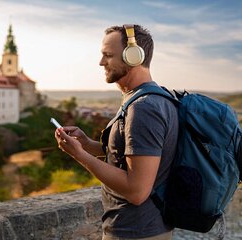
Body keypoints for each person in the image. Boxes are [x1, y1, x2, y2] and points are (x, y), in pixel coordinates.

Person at [54, 24, 179, 240]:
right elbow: (130, 156)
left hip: (136, 232)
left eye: (108, 55)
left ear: (133, 56)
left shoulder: (144, 108)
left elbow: (137, 191)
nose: (101, 62)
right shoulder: (152, 99)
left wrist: (80, 155)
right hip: (144, 229)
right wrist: (87, 144)